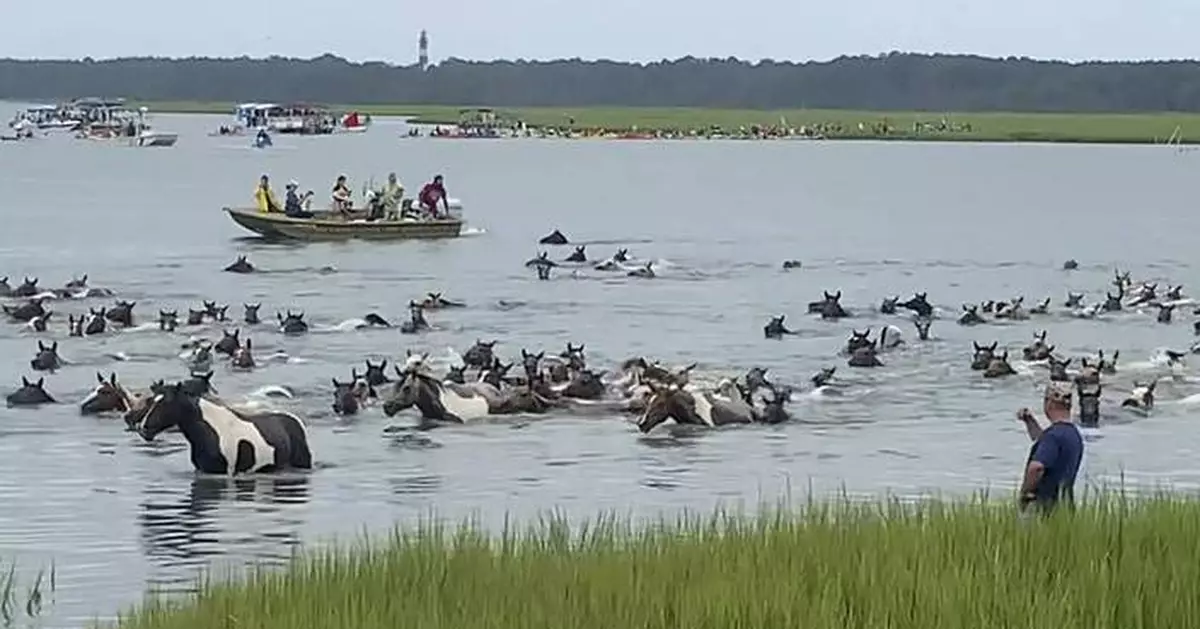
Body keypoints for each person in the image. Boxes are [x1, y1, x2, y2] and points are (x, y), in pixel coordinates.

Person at [1016, 381, 1084, 517]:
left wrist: (1025, 493)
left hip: (1044, 509)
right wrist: (1030, 421)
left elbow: (1037, 467)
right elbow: (1042, 442)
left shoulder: (1053, 436)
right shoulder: (1073, 434)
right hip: (1064, 508)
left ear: (1049, 403)